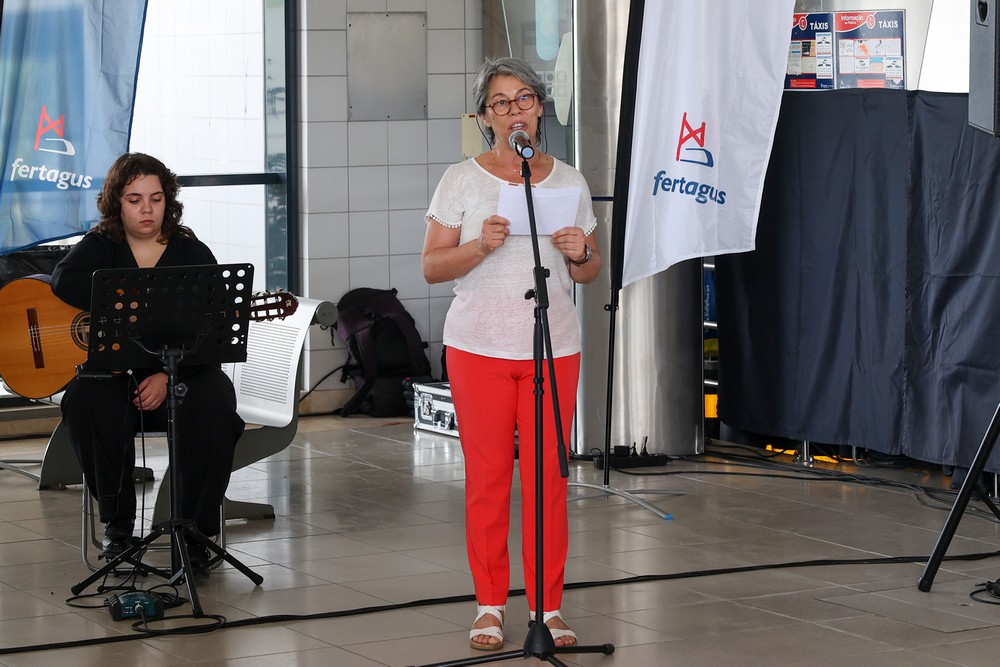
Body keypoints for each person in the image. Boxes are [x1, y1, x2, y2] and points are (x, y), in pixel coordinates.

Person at [422, 56, 601, 651]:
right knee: (490, 478)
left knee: (549, 479)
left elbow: (592, 269)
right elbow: (431, 266)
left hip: (554, 349)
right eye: (501, 103)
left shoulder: (569, 180)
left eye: (525, 98)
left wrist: (580, 253)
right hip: (479, 348)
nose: (515, 110)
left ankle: (548, 609)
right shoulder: (462, 179)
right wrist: (478, 246)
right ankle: (490, 606)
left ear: (540, 107)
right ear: (484, 117)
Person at [51, 152, 245, 573]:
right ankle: (118, 526)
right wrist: (127, 299)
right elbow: (63, 279)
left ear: (167, 201)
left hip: (182, 373)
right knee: (84, 399)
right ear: (116, 202)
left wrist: (165, 374)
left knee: (215, 401)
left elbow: (214, 331)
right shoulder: (102, 245)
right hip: (116, 376)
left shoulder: (190, 250)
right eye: (135, 198)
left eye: (155, 198)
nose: (146, 209)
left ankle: (195, 532)